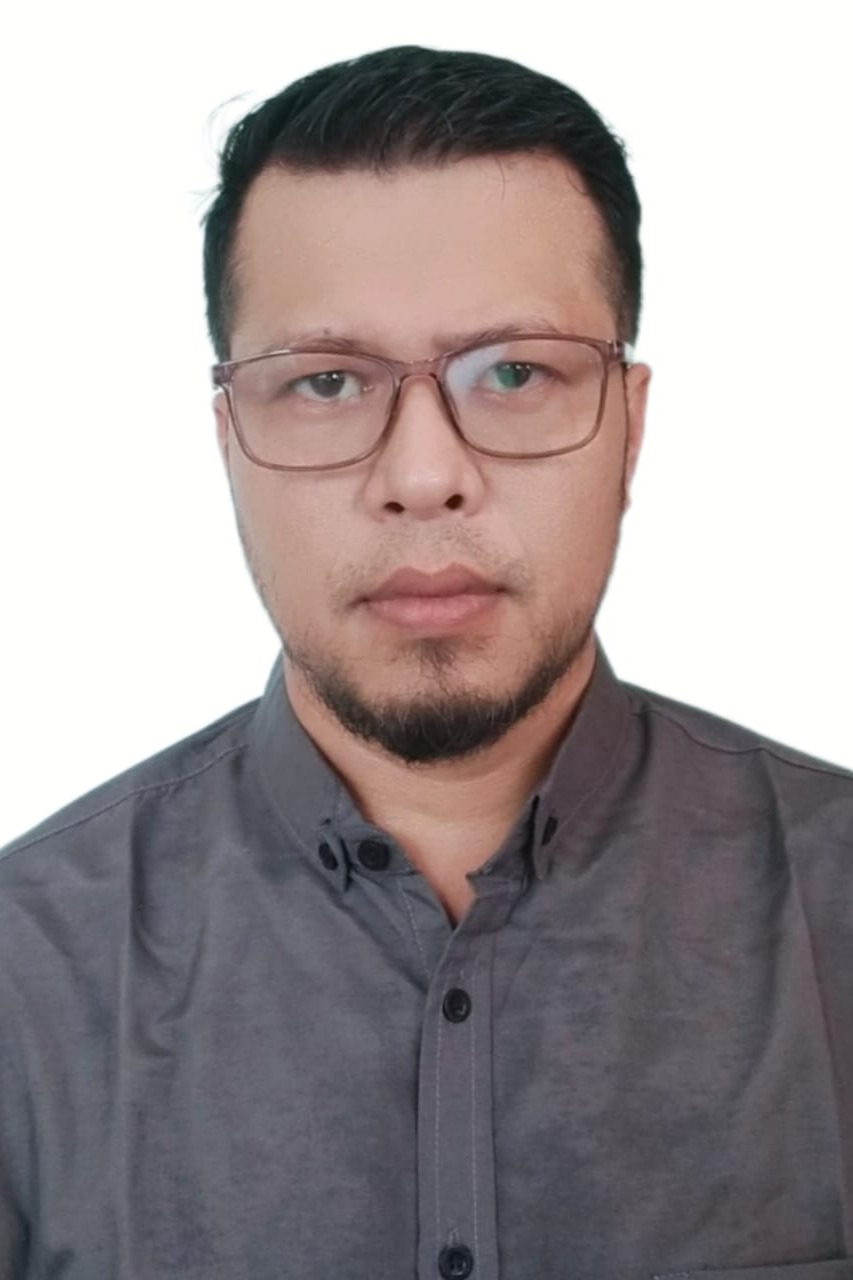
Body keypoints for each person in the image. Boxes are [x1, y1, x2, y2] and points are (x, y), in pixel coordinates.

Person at [1, 42, 851, 1280]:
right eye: (325, 381)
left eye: (513, 371)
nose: (420, 475)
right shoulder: (25, 972)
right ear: (229, 440)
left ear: (628, 427)